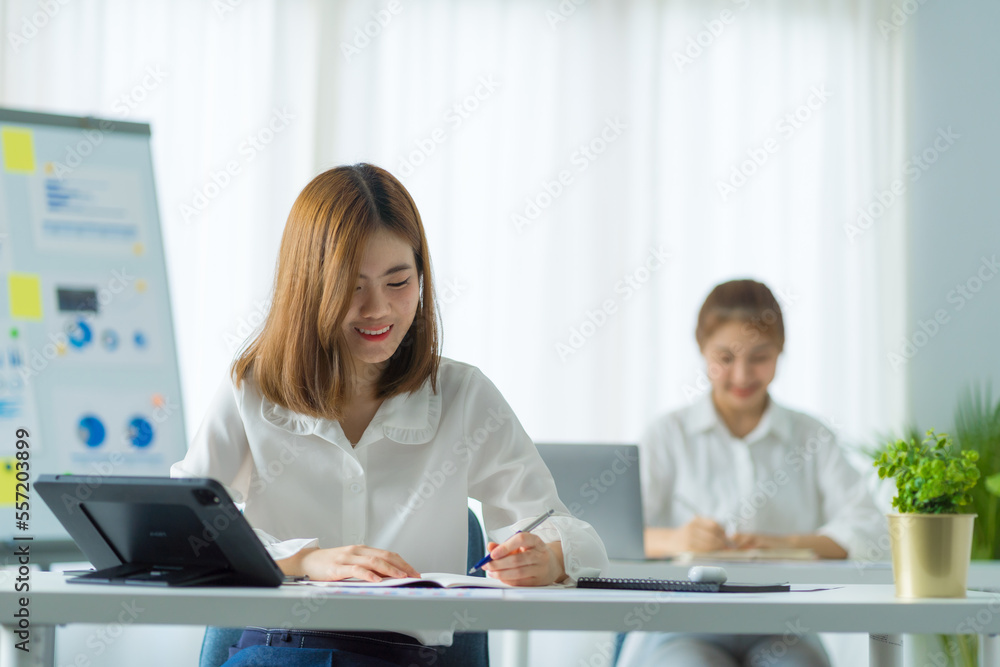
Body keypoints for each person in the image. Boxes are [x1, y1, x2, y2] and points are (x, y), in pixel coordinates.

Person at [171, 163, 608, 666]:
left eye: (398, 282)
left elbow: (575, 537)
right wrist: (307, 561)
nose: (377, 309)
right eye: (352, 286)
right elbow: (181, 529)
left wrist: (548, 557)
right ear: (308, 287)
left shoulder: (462, 395)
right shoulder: (255, 388)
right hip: (279, 650)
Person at [617, 279, 885, 667]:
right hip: (685, 622)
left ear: (780, 352)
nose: (742, 375)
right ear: (702, 352)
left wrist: (790, 543)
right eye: (725, 357)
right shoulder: (667, 434)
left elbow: (869, 527)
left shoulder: (812, 436)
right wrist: (677, 538)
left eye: (759, 357)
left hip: (784, 624)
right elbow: (616, 536)